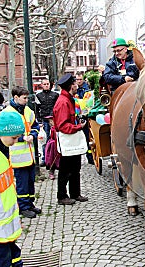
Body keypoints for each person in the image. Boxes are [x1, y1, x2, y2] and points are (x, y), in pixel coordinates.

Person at [0, 111, 25, 267]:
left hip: (4, 226)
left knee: (13, 257)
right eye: (14, 138)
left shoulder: (0, 146)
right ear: (3, 132)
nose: (15, 142)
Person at [4, 86, 41, 219]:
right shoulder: (7, 113)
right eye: (24, 98)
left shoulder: (28, 111)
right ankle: (23, 207)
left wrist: (33, 135)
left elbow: (35, 125)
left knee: (30, 181)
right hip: (17, 157)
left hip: (29, 155)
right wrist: (21, 138)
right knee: (22, 183)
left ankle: (30, 204)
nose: (26, 100)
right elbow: (3, 134)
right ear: (16, 98)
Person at [53, 73, 88, 205]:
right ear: (71, 86)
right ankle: (62, 196)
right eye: (74, 84)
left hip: (72, 139)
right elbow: (63, 126)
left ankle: (75, 193)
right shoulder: (63, 102)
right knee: (65, 170)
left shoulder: (68, 99)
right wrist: (79, 126)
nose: (76, 86)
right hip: (68, 140)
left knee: (75, 168)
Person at [36, 79, 59, 166]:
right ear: (41, 85)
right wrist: (39, 120)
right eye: (44, 84)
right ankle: (45, 158)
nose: (46, 85)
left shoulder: (55, 95)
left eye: (47, 84)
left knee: (55, 138)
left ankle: (56, 157)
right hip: (44, 120)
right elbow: (36, 109)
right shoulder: (38, 96)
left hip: (54, 120)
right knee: (45, 139)